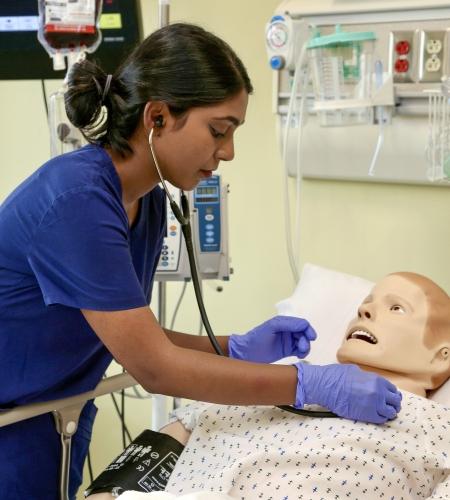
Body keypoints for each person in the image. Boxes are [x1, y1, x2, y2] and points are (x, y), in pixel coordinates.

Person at [0, 23, 401, 499]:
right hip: (15, 423)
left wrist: (233, 348)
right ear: (158, 118)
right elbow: (155, 367)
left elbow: (123, 333)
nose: (227, 152)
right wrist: (307, 382)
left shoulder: (142, 202)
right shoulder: (78, 201)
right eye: (218, 131)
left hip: (50, 420)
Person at [87, 271, 450, 499]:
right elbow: (165, 441)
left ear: (441, 356)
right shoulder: (269, 383)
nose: (365, 312)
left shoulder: (437, 430)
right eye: (364, 305)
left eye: (396, 308)